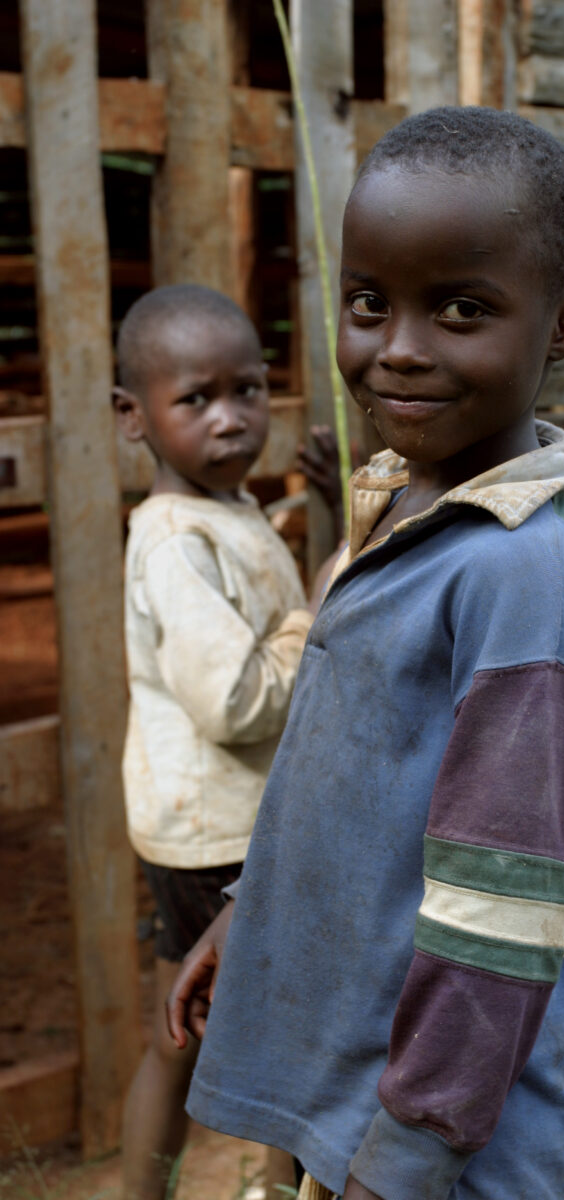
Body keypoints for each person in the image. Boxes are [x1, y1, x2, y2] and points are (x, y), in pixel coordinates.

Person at [168, 108, 564, 1200]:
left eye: (462, 309)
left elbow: (497, 918)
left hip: (448, 1151)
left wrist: (409, 1158)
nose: (401, 348)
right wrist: (253, 910)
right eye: (371, 302)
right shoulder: (408, 503)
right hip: (361, 1095)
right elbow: (352, 774)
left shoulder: (517, 586)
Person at [113, 284, 311, 1200]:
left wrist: (308, 530)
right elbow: (239, 700)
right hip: (220, 842)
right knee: (272, 1035)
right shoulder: (170, 541)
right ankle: (271, 1189)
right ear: (133, 418)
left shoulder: (225, 511)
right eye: (196, 399)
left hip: (201, 829)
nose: (231, 419)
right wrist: (329, 598)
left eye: (249, 390)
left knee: (185, 1031)